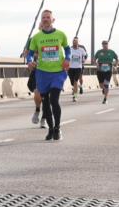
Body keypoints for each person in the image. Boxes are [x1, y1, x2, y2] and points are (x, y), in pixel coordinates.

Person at [26, 10, 70, 141]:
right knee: (45, 101)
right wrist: (29, 61)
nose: (45, 19)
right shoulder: (36, 37)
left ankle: (57, 128)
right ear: (41, 20)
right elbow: (30, 53)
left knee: (54, 100)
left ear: (53, 20)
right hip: (42, 73)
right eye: (43, 17)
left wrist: (67, 58)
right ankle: (50, 129)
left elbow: (67, 49)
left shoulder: (61, 34)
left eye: (48, 17)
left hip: (58, 73)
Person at [68, 37, 88, 102]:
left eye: (76, 42)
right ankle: (77, 87)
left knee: (75, 81)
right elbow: (66, 56)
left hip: (78, 67)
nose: (75, 43)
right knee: (72, 83)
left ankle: (75, 96)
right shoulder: (70, 49)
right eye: (74, 42)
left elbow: (85, 55)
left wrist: (84, 60)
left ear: (78, 43)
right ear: (72, 43)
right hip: (71, 67)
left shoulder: (81, 50)